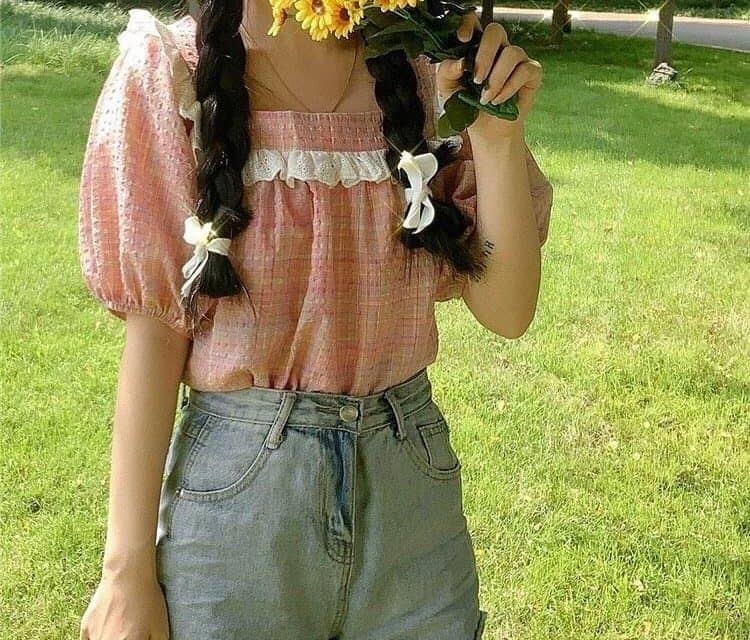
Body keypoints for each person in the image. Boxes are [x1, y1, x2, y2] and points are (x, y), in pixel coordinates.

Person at [77, 0, 553, 637]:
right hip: (237, 520)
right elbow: (157, 332)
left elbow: (508, 310)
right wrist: (125, 570)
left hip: (413, 510)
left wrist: (496, 139)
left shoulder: (427, 73)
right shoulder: (173, 71)